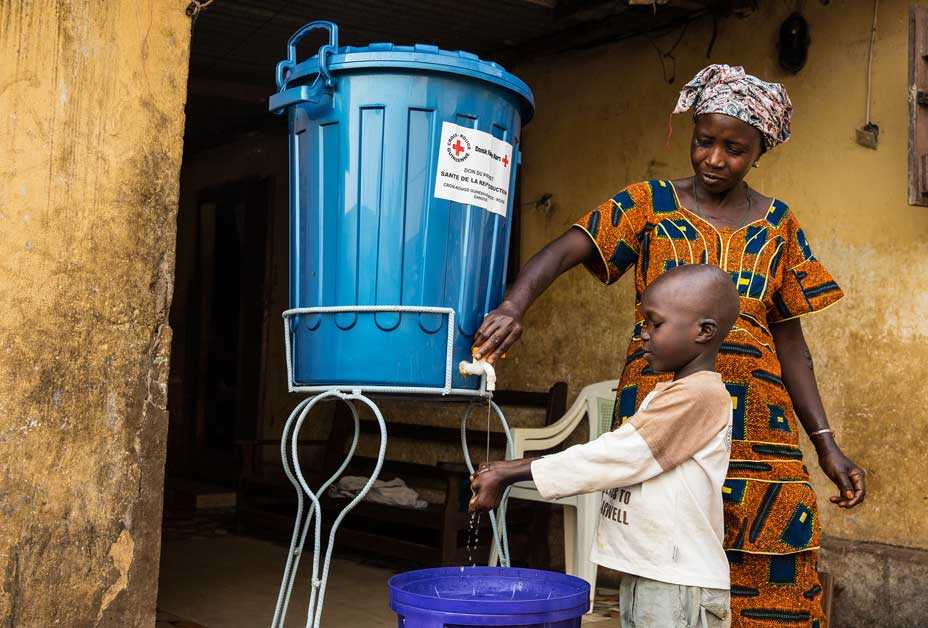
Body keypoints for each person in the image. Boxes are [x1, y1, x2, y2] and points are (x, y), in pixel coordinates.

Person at [470, 65, 865, 627]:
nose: (714, 159)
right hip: (665, 407)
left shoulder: (780, 225)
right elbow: (563, 251)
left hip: (761, 433)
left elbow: (791, 341)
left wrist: (825, 443)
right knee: (667, 547)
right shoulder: (647, 204)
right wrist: (514, 306)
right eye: (705, 141)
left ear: (760, 150)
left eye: (735, 148)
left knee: (771, 565)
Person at [471, 264, 739, 628]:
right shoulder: (678, 393)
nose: (643, 335)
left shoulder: (700, 396)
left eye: (655, 324)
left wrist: (514, 470)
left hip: (678, 582)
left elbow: (619, 455)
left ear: (704, 331)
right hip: (653, 571)